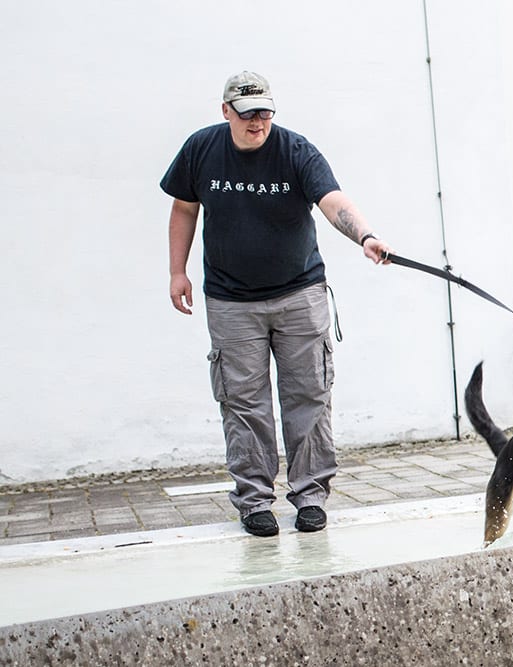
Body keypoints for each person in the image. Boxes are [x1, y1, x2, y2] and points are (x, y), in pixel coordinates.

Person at [161, 71, 393, 537]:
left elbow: (331, 200)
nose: (257, 123)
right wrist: (177, 271)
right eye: (248, 114)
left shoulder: (295, 150)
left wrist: (365, 236)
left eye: (265, 113)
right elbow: (184, 208)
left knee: (309, 396)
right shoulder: (201, 149)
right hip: (230, 301)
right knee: (243, 404)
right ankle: (254, 502)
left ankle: (310, 496)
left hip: (300, 294)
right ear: (226, 111)